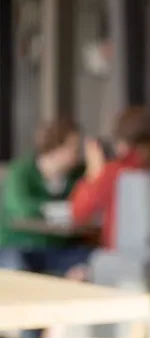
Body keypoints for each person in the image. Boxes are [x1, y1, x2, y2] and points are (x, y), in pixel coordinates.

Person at [0, 117, 91, 274]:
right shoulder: (21, 172)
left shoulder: (78, 174)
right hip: (22, 245)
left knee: (94, 259)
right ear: (55, 148)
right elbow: (22, 209)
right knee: (16, 265)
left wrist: (94, 175)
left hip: (59, 248)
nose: (78, 154)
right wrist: (63, 209)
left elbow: (89, 206)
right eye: (73, 148)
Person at [69, 106, 150, 250]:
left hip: (120, 257)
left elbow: (79, 213)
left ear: (121, 141)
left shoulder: (115, 172)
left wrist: (93, 171)